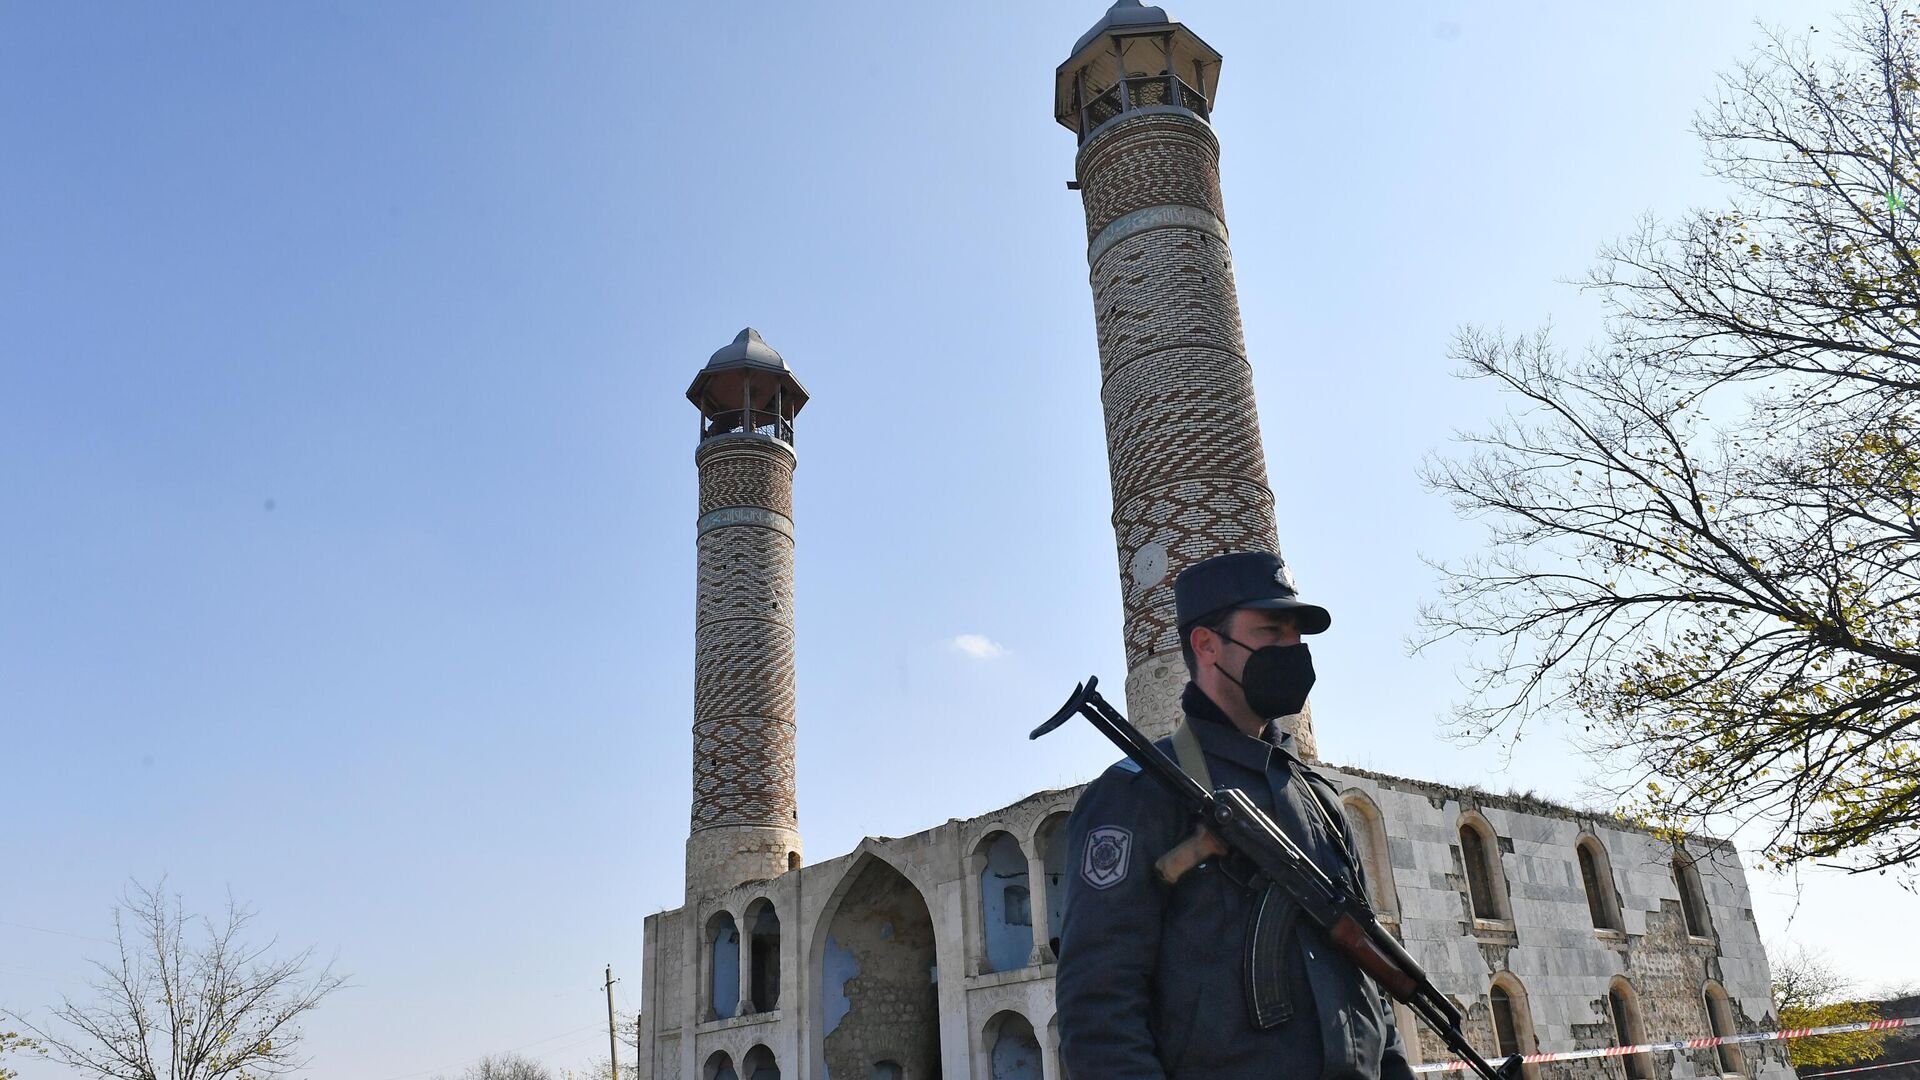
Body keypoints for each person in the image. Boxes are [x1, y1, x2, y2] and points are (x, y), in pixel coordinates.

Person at [1055, 550, 1418, 1080]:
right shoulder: (1138, 795)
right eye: (1271, 633)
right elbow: (1100, 1008)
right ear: (1206, 644)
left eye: (1297, 636)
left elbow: (1364, 976)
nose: (1292, 651)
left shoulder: (1318, 799)